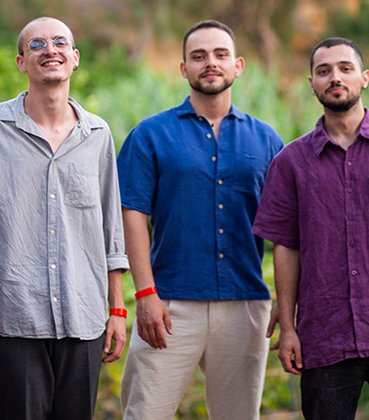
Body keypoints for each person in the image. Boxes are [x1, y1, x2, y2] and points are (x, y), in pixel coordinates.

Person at [0, 16, 129, 420]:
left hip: (84, 317)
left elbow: (111, 233)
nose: (50, 50)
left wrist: (117, 309)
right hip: (14, 316)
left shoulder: (98, 134)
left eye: (60, 42)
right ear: (21, 62)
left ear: (75, 57)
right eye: (37, 44)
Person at [117, 20, 284, 420]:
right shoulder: (150, 135)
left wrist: (287, 301)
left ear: (238, 65)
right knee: (144, 414)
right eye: (199, 56)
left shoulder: (267, 140)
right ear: (183, 68)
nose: (210, 63)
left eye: (220, 54)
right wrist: (145, 294)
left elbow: (285, 229)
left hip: (245, 304)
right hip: (169, 304)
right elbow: (131, 215)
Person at [252, 37, 369, 420]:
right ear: (312, 84)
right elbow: (286, 247)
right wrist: (288, 327)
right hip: (325, 333)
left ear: (364, 77)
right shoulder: (291, 162)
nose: (335, 77)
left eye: (344, 68)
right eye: (324, 71)